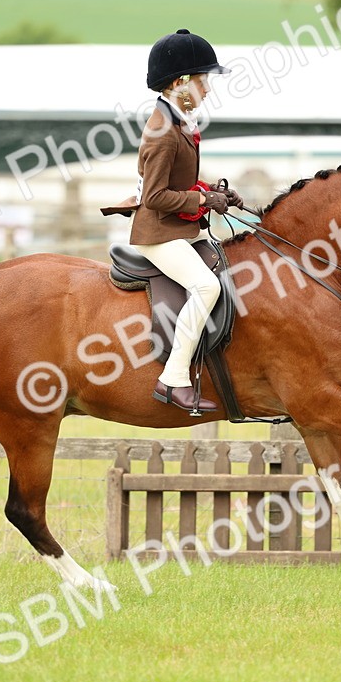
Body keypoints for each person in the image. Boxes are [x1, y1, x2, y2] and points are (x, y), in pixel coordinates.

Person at [103, 29, 243, 413]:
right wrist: (202, 199)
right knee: (206, 288)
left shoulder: (179, 120)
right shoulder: (162, 132)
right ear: (181, 83)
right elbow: (155, 197)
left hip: (181, 228)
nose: (208, 90)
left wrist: (215, 192)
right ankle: (173, 378)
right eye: (203, 81)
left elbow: (178, 182)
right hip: (158, 233)